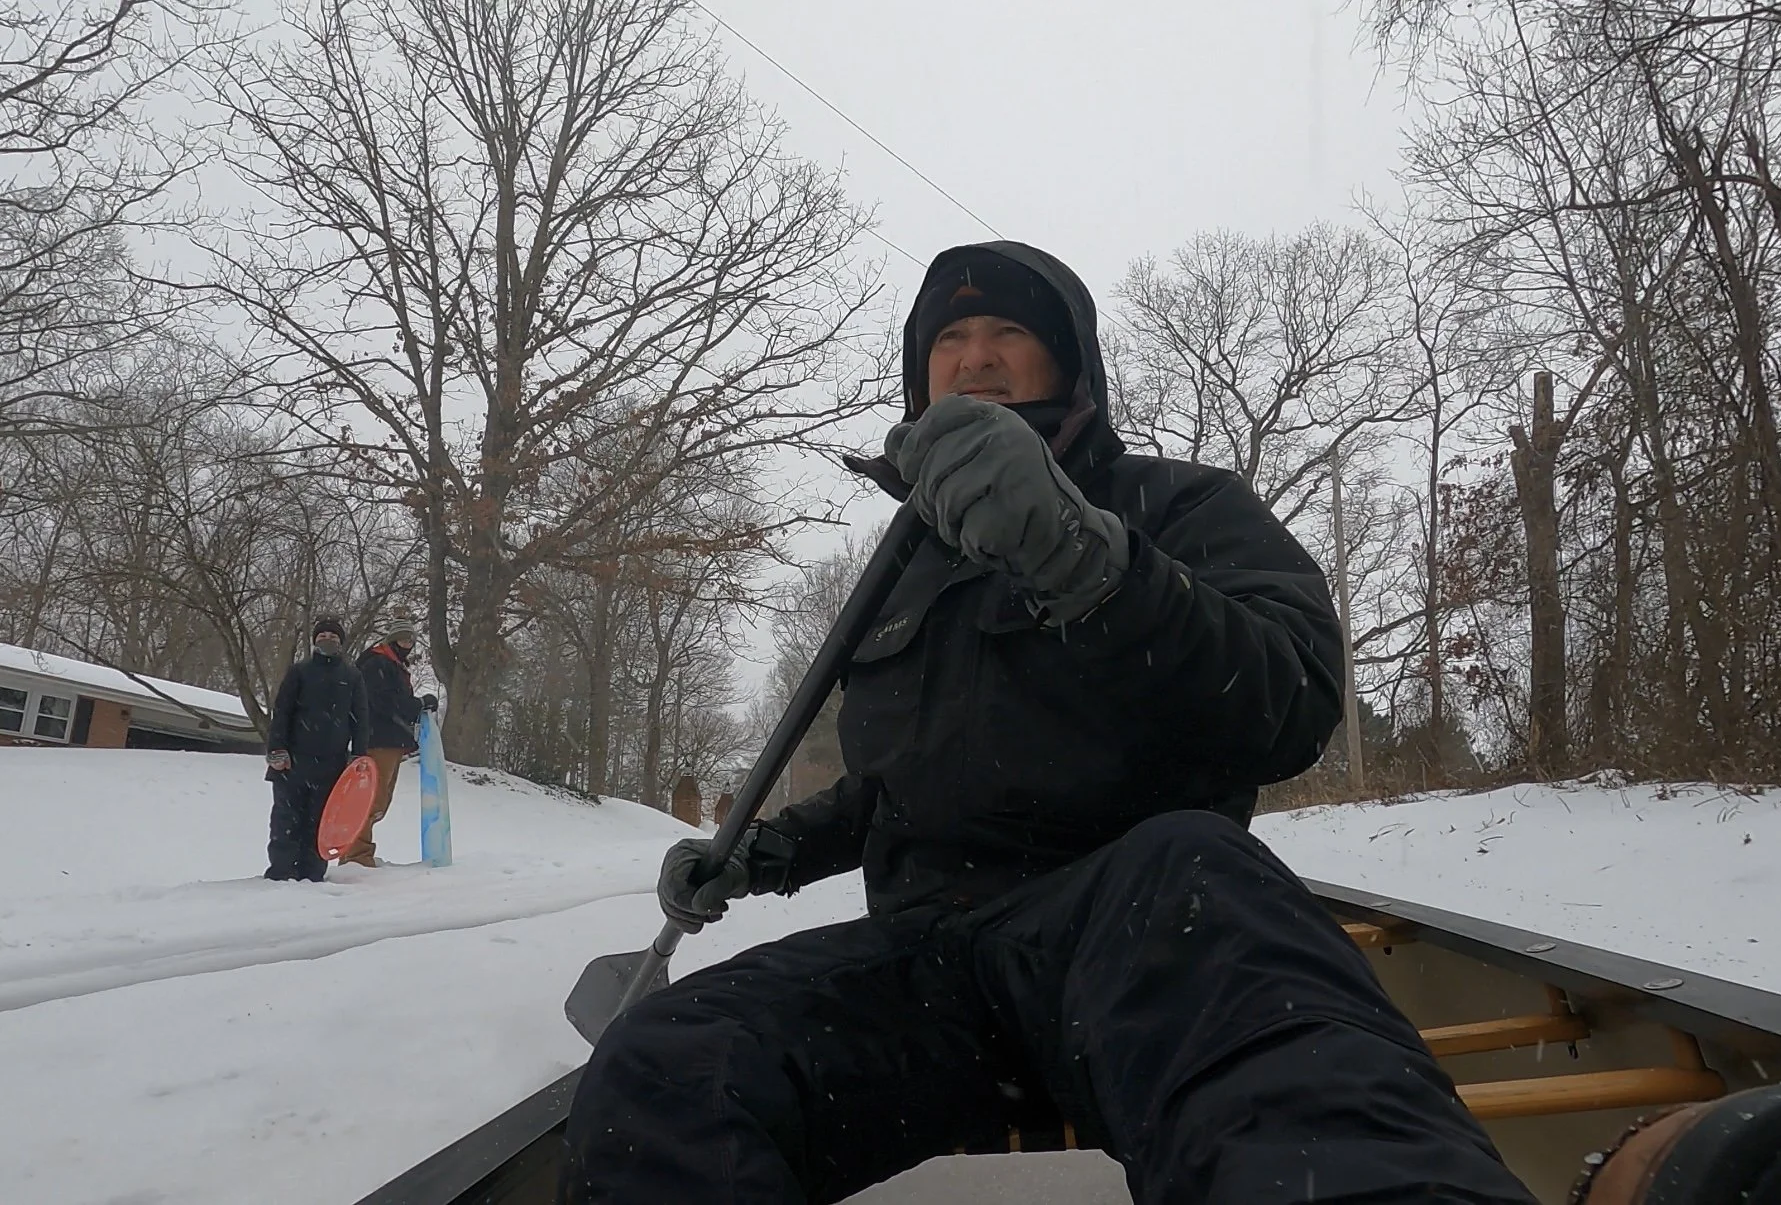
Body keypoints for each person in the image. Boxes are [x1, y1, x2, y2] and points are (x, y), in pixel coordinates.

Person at [559, 242, 1538, 1204]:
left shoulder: (1182, 507)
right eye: (948, 337)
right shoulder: (900, 569)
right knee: (668, 1061)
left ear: (1069, 362)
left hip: (1134, 939)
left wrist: (1092, 569)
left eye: (1006, 329)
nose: (973, 356)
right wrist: (762, 853)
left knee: (1218, 911)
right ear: (921, 373)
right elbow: (898, 787)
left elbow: (1285, 705)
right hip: (928, 972)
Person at [263, 616, 369, 882]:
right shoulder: (299, 671)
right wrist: (277, 749)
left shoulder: (352, 676)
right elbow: (282, 712)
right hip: (293, 763)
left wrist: (359, 757)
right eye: (322, 637)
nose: (327, 641)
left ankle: (312, 873)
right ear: (314, 641)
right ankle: (280, 871)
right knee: (286, 820)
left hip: (333, 766)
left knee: (320, 822)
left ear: (341, 643)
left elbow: (361, 719)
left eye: (333, 637)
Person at [344, 616, 422, 868]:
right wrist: (416, 706)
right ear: (391, 639)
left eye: (410, 639)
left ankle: (358, 853)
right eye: (402, 638)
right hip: (377, 739)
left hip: (391, 739)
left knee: (381, 801)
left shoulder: (393, 664)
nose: (406, 643)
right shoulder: (377, 663)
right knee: (370, 800)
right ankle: (356, 856)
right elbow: (384, 702)